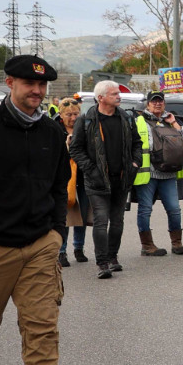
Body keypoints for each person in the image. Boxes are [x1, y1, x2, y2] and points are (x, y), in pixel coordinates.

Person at [0, 54, 96, 365]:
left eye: (42, 86)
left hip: (39, 245)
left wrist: (56, 231)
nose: (37, 91)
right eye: (29, 85)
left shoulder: (52, 133)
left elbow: (60, 185)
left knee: (42, 325)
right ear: (10, 83)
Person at [67, 80, 140, 279]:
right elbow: (76, 149)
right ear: (101, 98)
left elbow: (137, 143)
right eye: (114, 93)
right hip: (97, 181)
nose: (119, 96)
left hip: (122, 179)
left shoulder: (126, 118)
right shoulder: (87, 120)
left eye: (118, 93)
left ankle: (112, 257)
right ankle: (102, 263)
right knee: (101, 221)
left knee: (117, 221)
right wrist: (91, 169)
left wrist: (135, 163)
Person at [132, 91, 183, 257]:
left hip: (168, 173)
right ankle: (147, 245)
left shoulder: (170, 122)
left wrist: (175, 124)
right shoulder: (139, 121)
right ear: (148, 104)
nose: (157, 104)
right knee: (145, 210)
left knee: (174, 209)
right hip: (147, 173)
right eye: (154, 101)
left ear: (164, 103)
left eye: (160, 101)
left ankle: (177, 243)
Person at [55, 98, 91, 267]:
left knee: (82, 216)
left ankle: (79, 248)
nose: (73, 117)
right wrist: (67, 145)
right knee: (66, 217)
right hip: (65, 180)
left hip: (83, 178)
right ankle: (62, 251)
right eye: (69, 114)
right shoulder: (56, 131)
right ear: (61, 115)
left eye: (76, 114)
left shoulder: (85, 129)